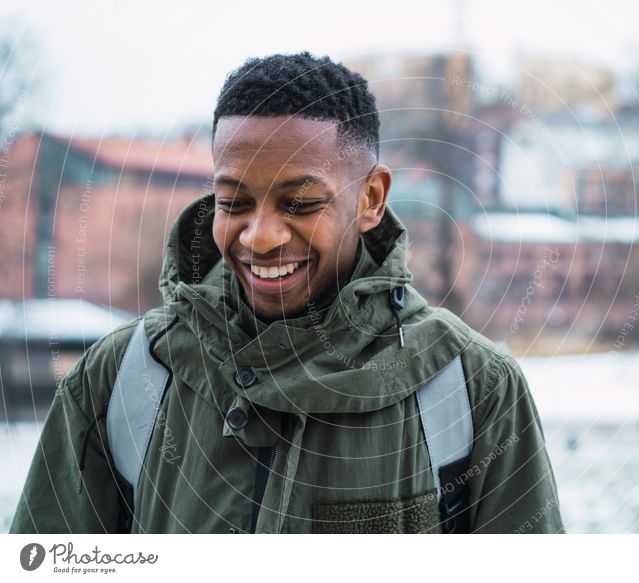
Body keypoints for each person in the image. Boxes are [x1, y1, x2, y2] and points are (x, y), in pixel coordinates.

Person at [10, 52, 564, 534]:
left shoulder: (473, 387)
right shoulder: (120, 378)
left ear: (371, 197)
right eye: (234, 203)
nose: (260, 236)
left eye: (300, 204)